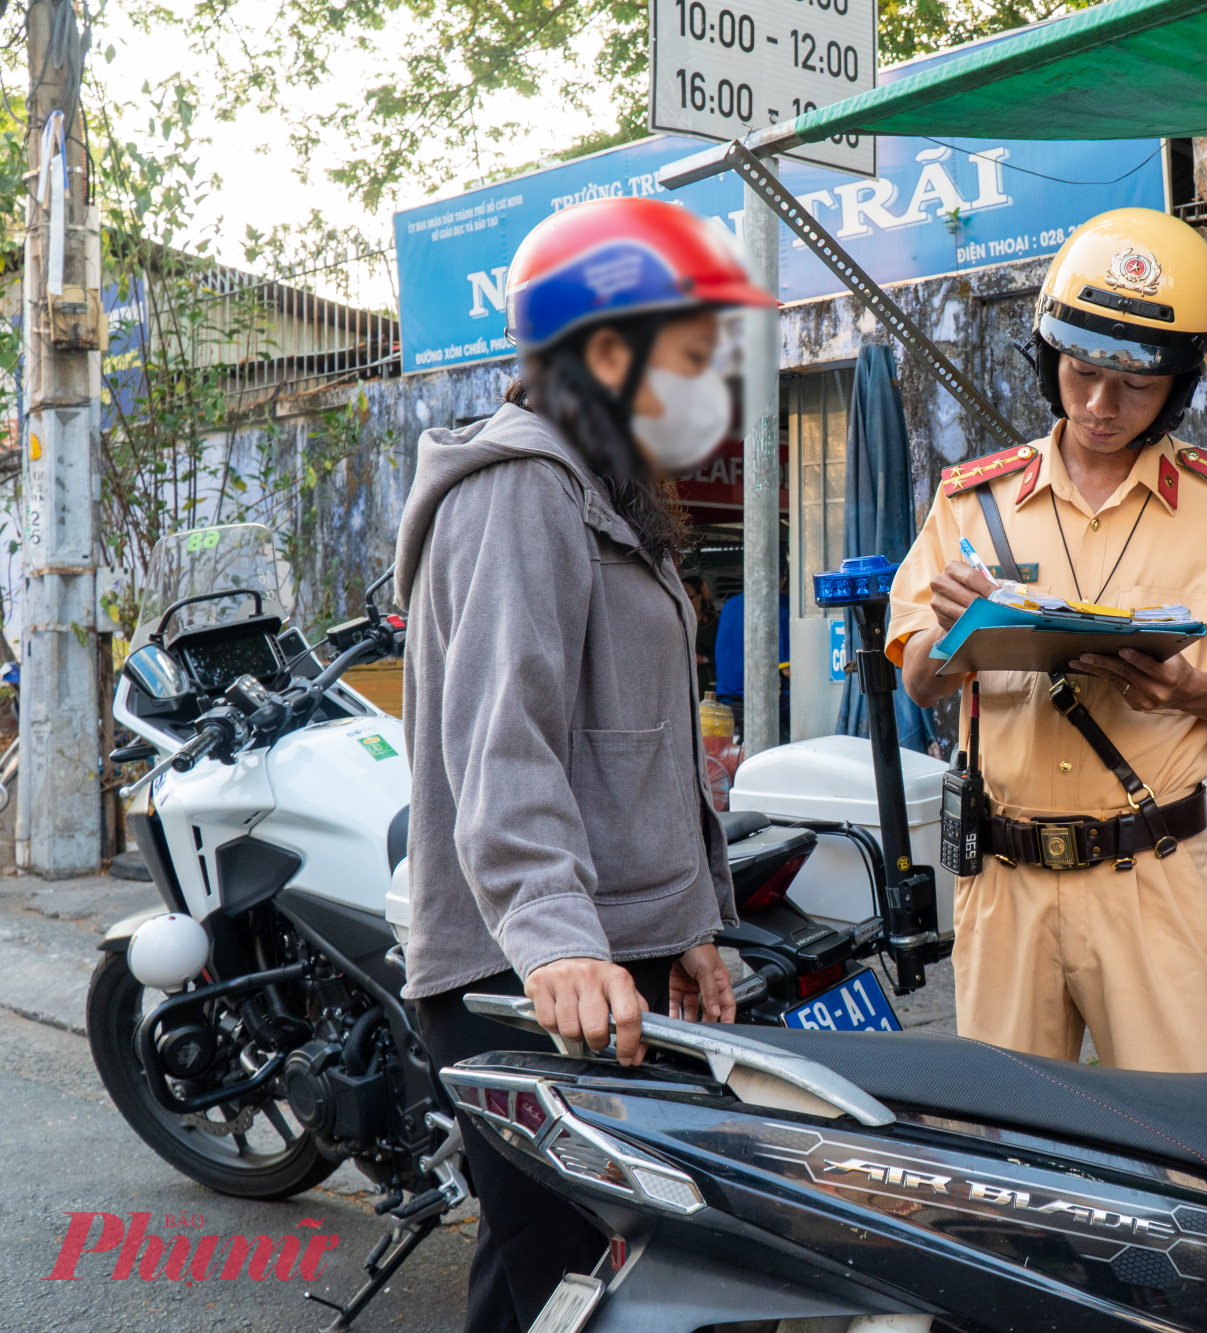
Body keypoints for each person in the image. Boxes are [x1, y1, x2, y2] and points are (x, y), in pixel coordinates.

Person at [392, 196, 775, 1332]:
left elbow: (636, 747)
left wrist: (690, 923)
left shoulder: (604, 489)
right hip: (528, 977)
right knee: (586, 1290)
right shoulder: (519, 492)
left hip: (608, 961)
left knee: (537, 1284)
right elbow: (504, 745)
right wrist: (557, 941)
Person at [889, 208, 1207, 1074]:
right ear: (1051, 362)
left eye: (1135, 385)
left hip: (1151, 880)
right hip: (1001, 878)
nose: (1099, 404)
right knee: (1011, 1152)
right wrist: (950, 628)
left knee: (1182, 1155)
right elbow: (921, 684)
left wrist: (1192, 691)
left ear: (1180, 386)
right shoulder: (972, 502)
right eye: (1082, 373)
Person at [714, 569, 791, 742]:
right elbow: (788, 671)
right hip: (764, 703)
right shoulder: (781, 606)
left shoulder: (730, 605)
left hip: (727, 701)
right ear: (782, 579)